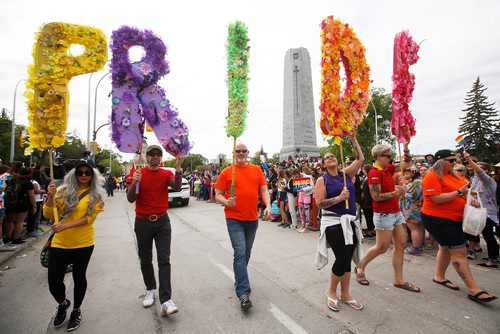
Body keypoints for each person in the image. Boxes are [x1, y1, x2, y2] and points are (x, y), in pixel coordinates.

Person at [421, 149, 496, 303]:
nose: (455, 163)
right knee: (459, 251)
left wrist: (471, 197)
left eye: (455, 160)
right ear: (441, 161)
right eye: (451, 160)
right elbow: (437, 199)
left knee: (445, 247)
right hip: (438, 219)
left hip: (455, 218)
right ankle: (474, 289)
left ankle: (439, 276)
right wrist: (459, 193)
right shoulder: (432, 176)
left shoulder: (454, 175)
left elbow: (466, 191)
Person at [44, 161, 105, 331]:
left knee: (79, 277)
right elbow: (47, 213)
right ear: (74, 174)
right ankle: (63, 304)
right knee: (53, 281)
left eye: (87, 173)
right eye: (80, 173)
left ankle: (76, 310)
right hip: (60, 243)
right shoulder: (62, 191)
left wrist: (65, 226)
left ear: (92, 175)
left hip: (83, 243)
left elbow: (90, 219)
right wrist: (50, 196)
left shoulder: (96, 195)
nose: (84, 175)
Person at [127, 144, 184, 316]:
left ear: (161, 158)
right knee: (145, 259)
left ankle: (166, 299)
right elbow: (130, 199)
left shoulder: (166, 173)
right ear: (146, 157)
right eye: (152, 154)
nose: (155, 157)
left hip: (162, 222)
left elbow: (176, 187)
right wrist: (135, 181)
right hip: (143, 222)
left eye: (158, 155)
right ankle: (150, 289)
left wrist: (179, 168)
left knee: (164, 260)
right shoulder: (138, 173)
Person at [355, 143, 420, 293]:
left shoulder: (386, 169)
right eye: (388, 156)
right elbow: (376, 197)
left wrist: (406, 146)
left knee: (401, 244)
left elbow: (407, 163)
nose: (391, 158)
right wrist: (396, 193)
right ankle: (360, 266)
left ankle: (399, 279)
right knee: (381, 247)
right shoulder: (374, 173)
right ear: (378, 157)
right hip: (384, 214)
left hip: (396, 212)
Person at [214, 142, 270, 311]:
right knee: (240, 252)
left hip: (252, 219)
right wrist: (226, 201)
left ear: (248, 152)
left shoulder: (256, 170)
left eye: (244, 151)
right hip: (234, 218)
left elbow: (264, 189)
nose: (241, 153)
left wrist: (267, 206)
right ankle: (243, 293)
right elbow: (218, 195)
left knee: (246, 253)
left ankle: (239, 277)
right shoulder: (226, 172)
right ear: (233, 153)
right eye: (238, 151)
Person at [314, 133, 365, 312]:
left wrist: (353, 139)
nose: (330, 158)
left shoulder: (346, 174)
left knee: (348, 258)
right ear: (323, 164)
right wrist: (339, 198)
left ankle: (345, 294)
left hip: (350, 221)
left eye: (332, 155)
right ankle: (331, 292)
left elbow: (361, 158)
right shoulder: (322, 179)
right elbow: (320, 204)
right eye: (326, 158)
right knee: (342, 257)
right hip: (333, 223)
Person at [463, 153, 499, 268]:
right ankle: (493, 256)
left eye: (480, 168)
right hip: (479, 212)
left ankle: (492, 260)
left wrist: (469, 159)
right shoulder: (474, 179)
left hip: (489, 213)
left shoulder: (488, 181)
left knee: (489, 237)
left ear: (487, 171)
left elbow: (479, 172)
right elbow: (475, 193)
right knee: (486, 236)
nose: (475, 169)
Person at [4, 167, 36, 244]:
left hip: (10, 203)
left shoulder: (11, 180)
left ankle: (8, 237)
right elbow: (31, 196)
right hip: (22, 204)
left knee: (9, 221)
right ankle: (16, 238)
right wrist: (34, 206)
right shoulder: (28, 184)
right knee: (19, 221)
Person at [403, 166, 427, 256]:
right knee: (419, 228)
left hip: (413, 208)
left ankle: (416, 248)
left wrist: (403, 192)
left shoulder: (417, 182)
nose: (406, 172)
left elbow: (411, 196)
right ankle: (418, 246)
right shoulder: (420, 181)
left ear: (414, 172)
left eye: (408, 171)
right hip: (419, 207)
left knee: (414, 228)